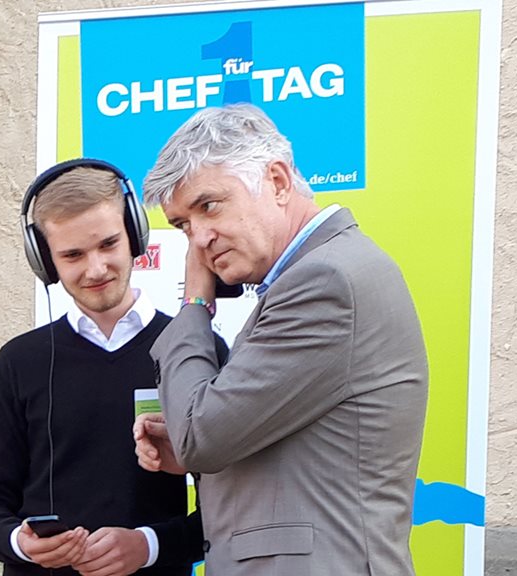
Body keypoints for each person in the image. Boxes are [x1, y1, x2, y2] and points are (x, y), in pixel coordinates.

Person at [133, 104, 428, 576]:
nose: (199, 239)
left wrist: (195, 304)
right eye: (184, 225)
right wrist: (199, 454)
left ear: (277, 181)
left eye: (209, 206)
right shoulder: (321, 272)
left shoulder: (324, 281)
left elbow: (200, 436)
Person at [0, 159, 227, 576]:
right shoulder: (18, 362)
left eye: (108, 244)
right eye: (72, 255)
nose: (96, 268)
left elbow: (234, 506)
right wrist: (21, 543)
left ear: (135, 236)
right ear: (45, 261)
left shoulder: (197, 351)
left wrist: (148, 546)